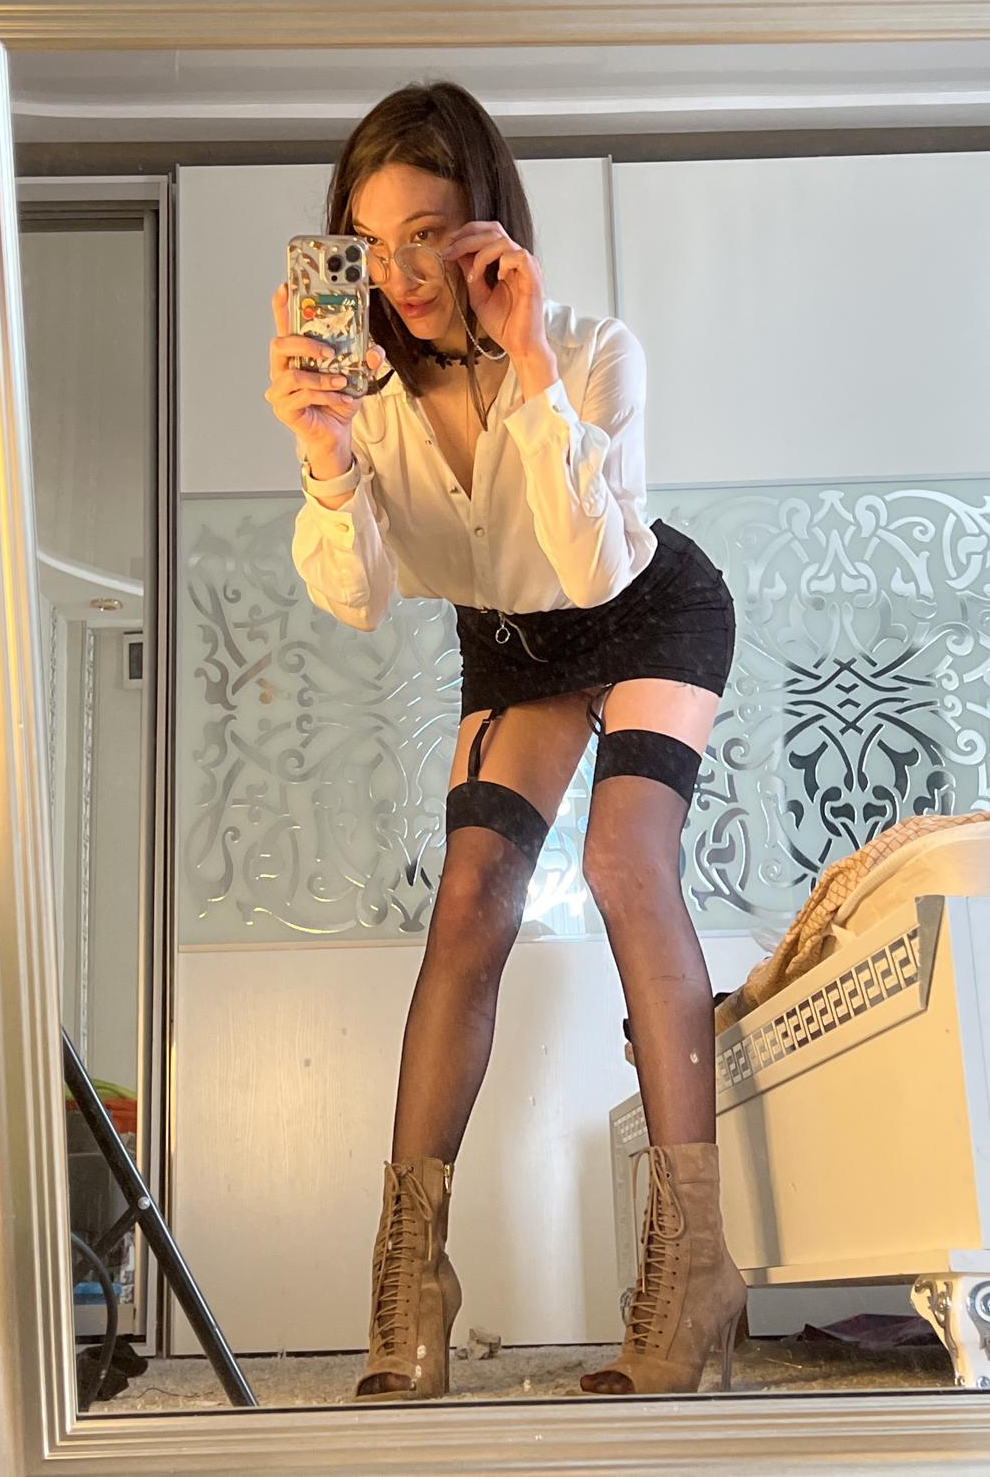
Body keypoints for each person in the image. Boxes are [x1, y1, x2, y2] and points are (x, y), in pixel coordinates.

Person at [265, 81, 746, 1402]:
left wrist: (529, 367)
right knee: (472, 895)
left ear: (486, 223)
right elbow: (359, 598)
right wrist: (324, 451)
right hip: (513, 641)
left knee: (624, 862)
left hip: (645, 605)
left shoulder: (591, 351)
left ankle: (690, 1269)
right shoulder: (359, 391)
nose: (404, 275)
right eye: (372, 243)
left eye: (431, 233)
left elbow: (595, 564)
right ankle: (409, 1280)